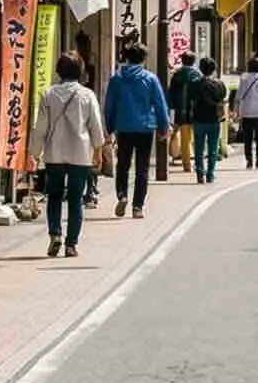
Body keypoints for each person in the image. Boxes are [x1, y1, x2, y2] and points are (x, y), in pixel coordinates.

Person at [36, 52, 108, 258]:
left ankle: (55, 235)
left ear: (59, 70)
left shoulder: (48, 94)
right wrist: (98, 151)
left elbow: (40, 127)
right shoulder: (87, 95)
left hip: (54, 153)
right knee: (76, 199)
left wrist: (34, 152)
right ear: (81, 71)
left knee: (55, 196)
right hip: (80, 153)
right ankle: (71, 244)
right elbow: (95, 125)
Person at [101, 43, 170, 221]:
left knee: (123, 164)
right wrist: (163, 127)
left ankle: (122, 195)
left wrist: (109, 128)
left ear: (126, 58)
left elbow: (109, 106)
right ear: (144, 59)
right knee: (142, 167)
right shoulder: (150, 79)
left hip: (124, 127)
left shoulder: (117, 79)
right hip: (145, 128)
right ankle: (137, 206)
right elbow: (160, 104)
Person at [189, 54, 228, 181]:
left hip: (198, 118)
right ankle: (210, 174)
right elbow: (223, 98)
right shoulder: (220, 84)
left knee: (198, 147)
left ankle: (200, 172)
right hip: (214, 119)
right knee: (213, 147)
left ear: (200, 68)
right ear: (214, 69)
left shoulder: (195, 83)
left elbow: (190, 99)